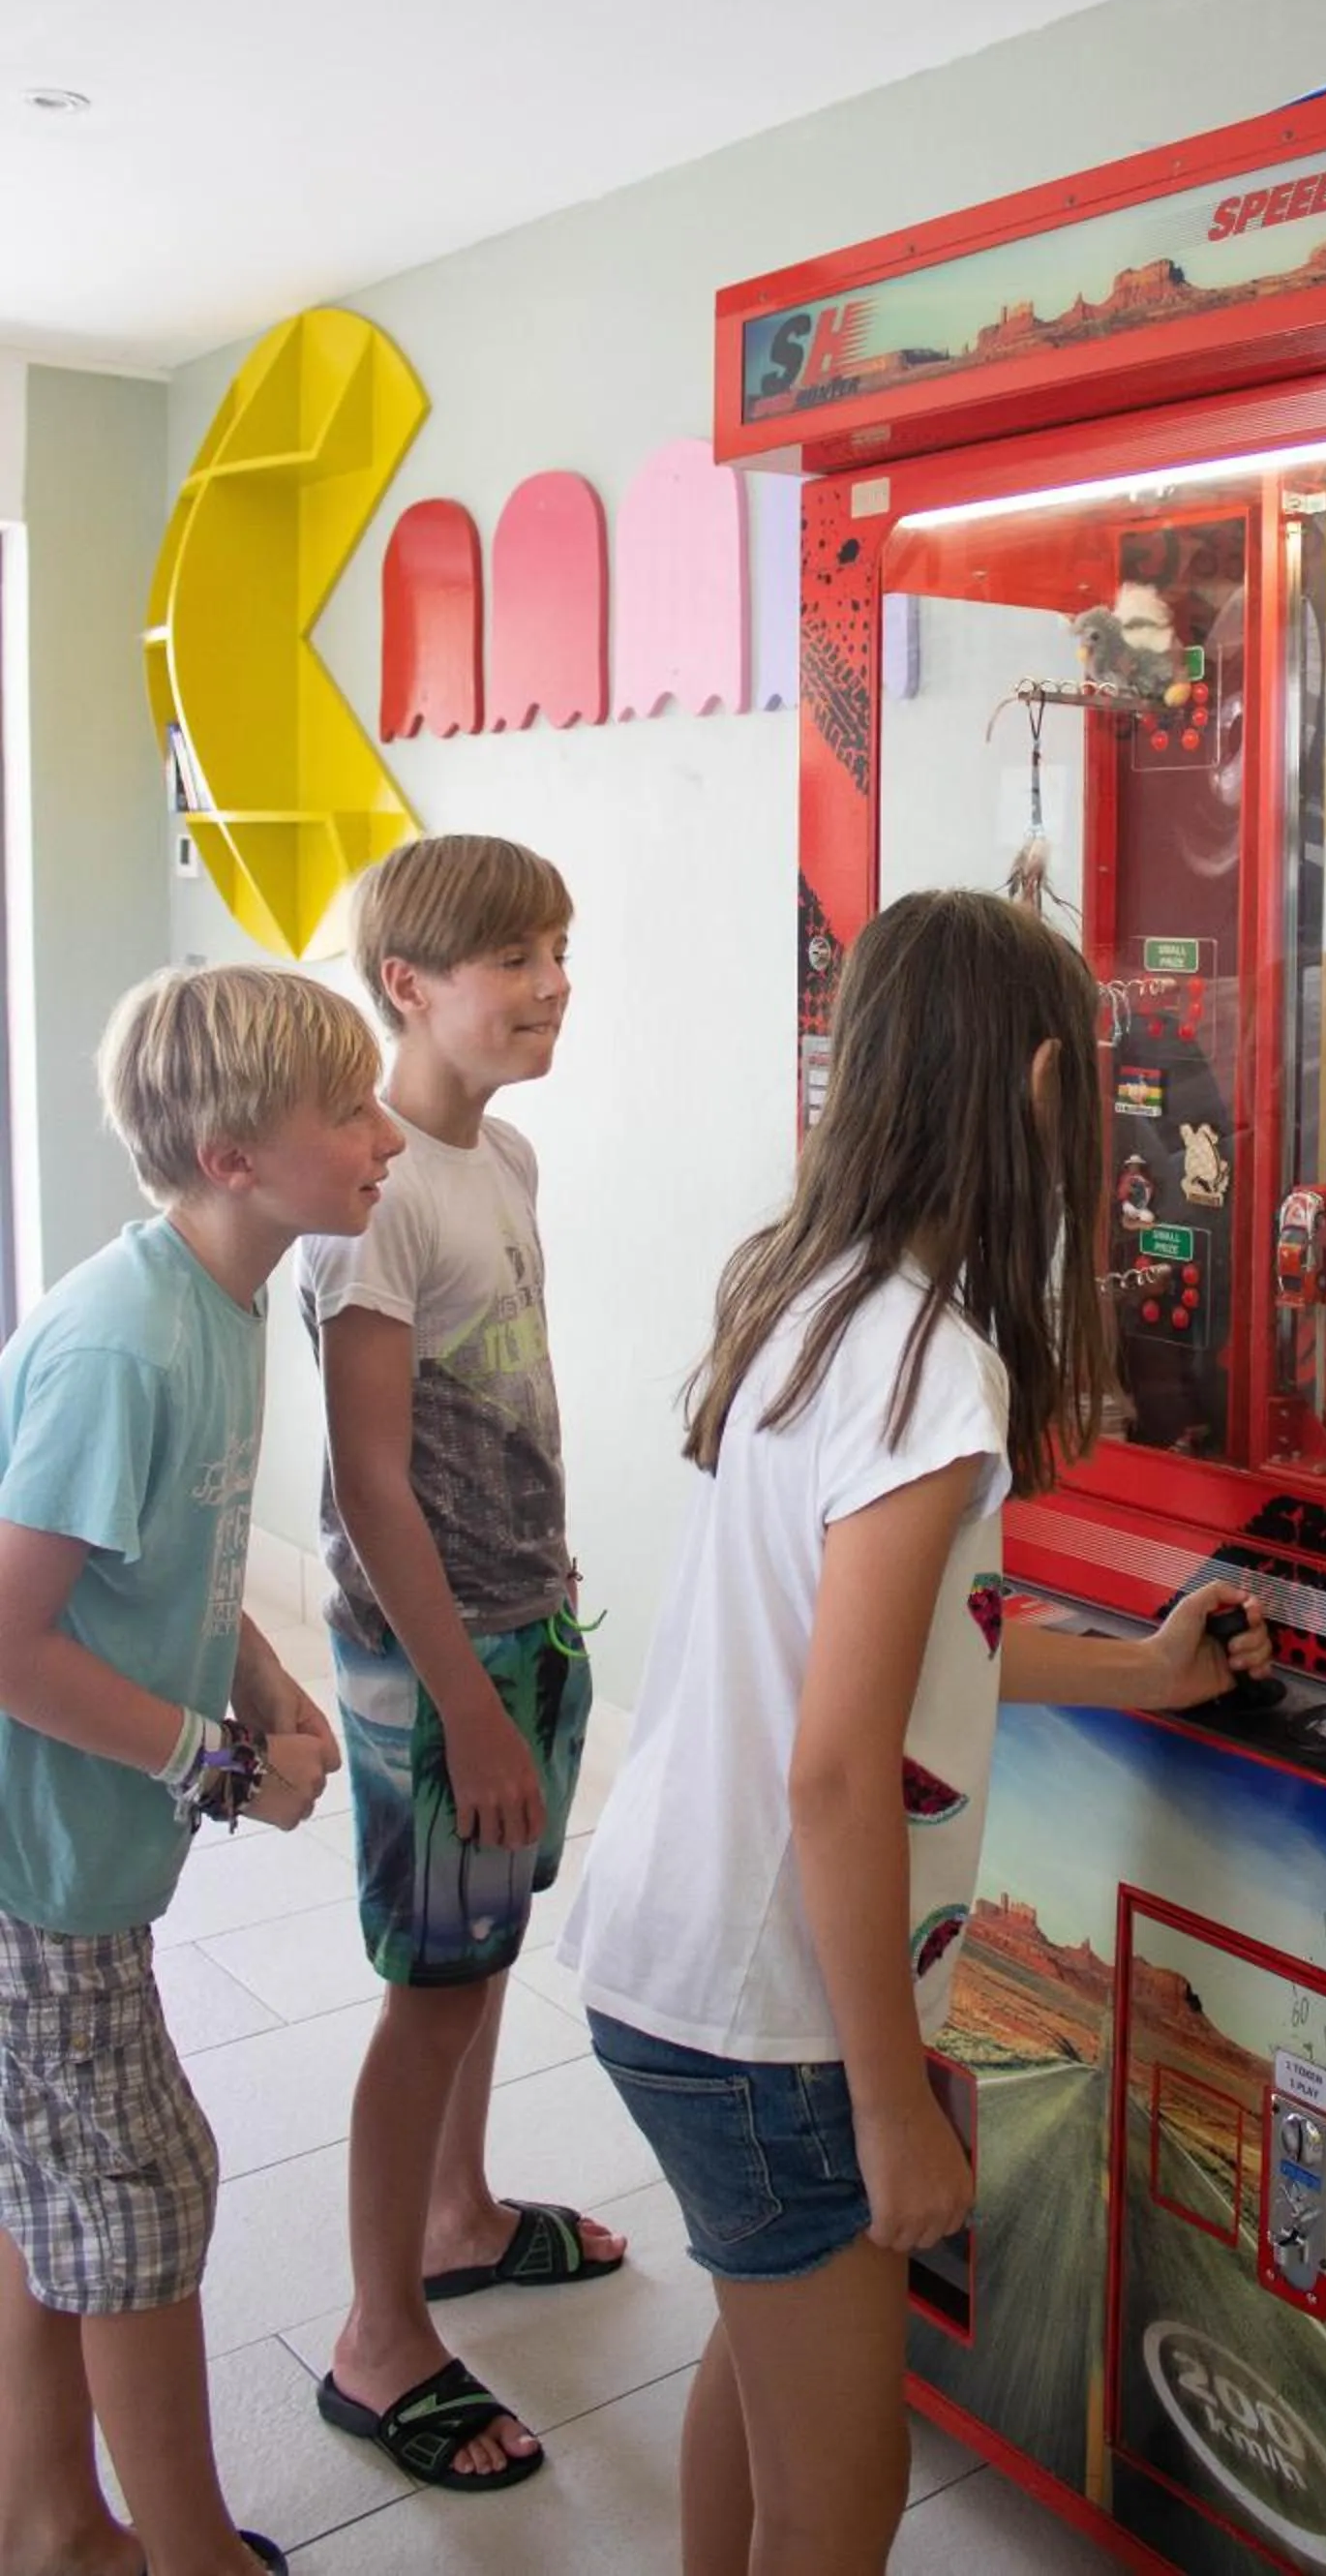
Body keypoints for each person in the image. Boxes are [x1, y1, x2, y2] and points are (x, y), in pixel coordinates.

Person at [562, 889, 1272, 2576]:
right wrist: (891, 2101)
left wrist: (1146, 1671)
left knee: (758, 2363)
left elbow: (904, 1665)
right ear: (1041, 1087)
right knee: (845, 2495)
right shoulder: (933, 1374)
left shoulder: (806, 1294)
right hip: (771, 2019)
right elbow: (837, 1768)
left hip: (668, 1956)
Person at [0, 961, 400, 2576]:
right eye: (348, 1111)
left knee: (56, 2188)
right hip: (32, 1872)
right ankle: (185, 2553)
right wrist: (217, 1767)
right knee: (144, 2192)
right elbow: (8, 1639)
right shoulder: (123, 1344)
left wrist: (262, 1680)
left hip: (74, 1859)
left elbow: (174, 1545)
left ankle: (48, 2523)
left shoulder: (221, 1302)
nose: (385, 1135)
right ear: (233, 1157)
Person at [299, 834, 621, 2496]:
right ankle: (377, 2335)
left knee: (479, 1956)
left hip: (517, 1622)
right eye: (516, 957)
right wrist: (472, 1706)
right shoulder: (377, 1194)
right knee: (430, 1994)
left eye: (559, 947)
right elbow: (370, 1490)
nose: (555, 982)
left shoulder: (504, 1156)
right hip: (438, 1667)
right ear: (408, 986)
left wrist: (530, 1630)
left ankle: (460, 2217)